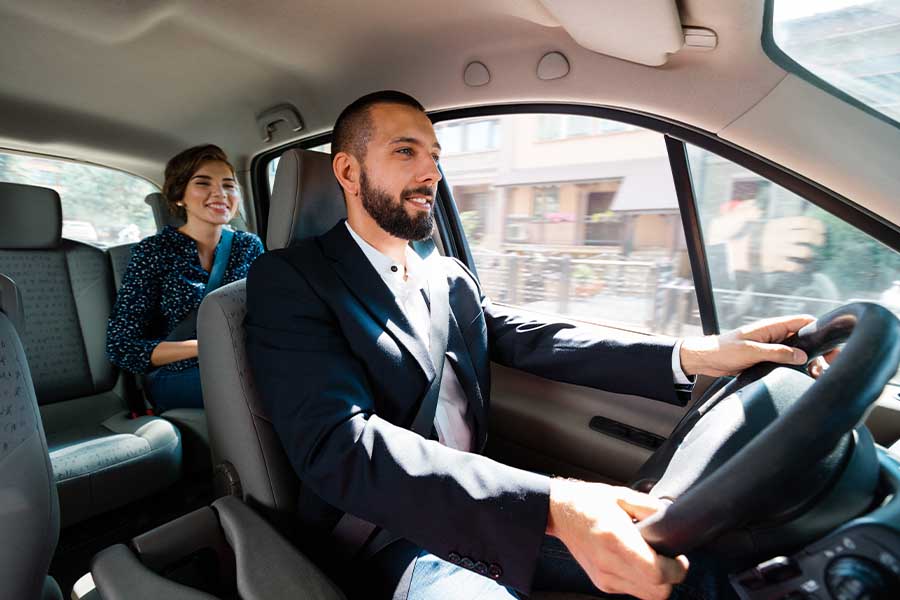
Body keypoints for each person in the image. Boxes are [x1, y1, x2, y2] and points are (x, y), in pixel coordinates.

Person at [244, 91, 830, 600]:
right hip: (390, 533)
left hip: (489, 501)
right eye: (405, 152)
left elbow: (532, 339)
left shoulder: (444, 274)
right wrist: (551, 505)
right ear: (347, 173)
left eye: (435, 156)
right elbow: (341, 447)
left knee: (692, 567)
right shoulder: (291, 281)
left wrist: (695, 355)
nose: (432, 173)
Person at [107, 144, 264, 412]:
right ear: (179, 195)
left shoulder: (248, 246)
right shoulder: (154, 252)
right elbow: (122, 346)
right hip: (178, 374)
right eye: (203, 183)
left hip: (246, 361)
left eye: (229, 185)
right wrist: (202, 347)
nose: (220, 193)